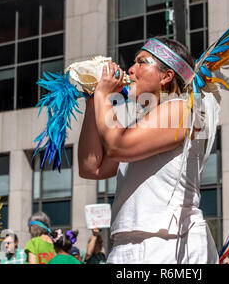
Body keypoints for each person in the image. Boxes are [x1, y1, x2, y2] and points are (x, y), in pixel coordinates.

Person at [78, 37, 219, 264]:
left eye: (141, 62)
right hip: (131, 244)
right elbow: (91, 168)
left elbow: (117, 146)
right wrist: (93, 102)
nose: (131, 70)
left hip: (169, 243)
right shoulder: (139, 123)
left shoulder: (182, 110)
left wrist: (105, 96)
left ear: (166, 76)